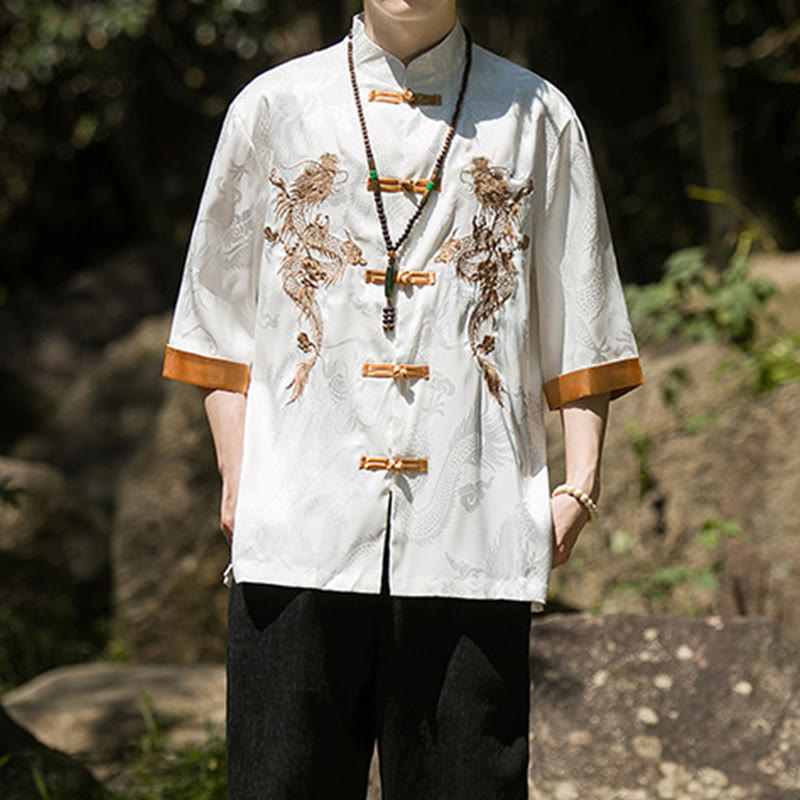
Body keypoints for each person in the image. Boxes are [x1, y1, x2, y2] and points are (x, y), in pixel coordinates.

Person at [162, 1, 643, 797]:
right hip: (298, 524)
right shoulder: (274, 106)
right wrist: (239, 472)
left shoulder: (537, 114)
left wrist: (579, 488)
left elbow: (582, 310)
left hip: (475, 528)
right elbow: (217, 312)